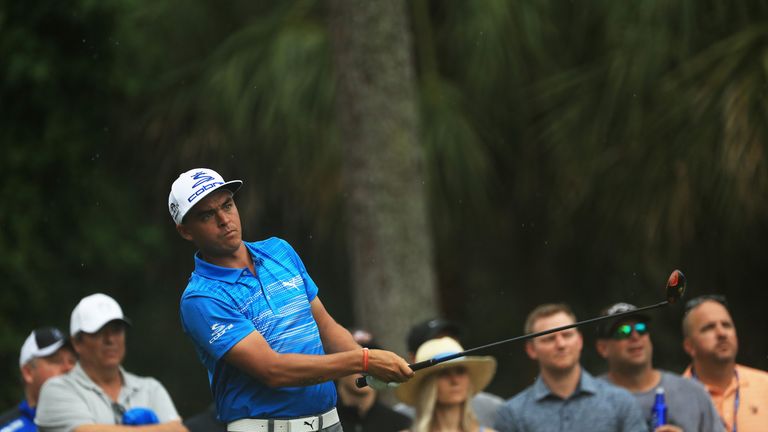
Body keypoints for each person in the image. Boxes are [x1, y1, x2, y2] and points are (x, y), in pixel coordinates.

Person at [169, 168, 413, 431]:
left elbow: (326, 328)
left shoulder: (279, 251)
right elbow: (273, 371)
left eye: (227, 205)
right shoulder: (201, 298)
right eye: (207, 215)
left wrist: (370, 367)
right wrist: (364, 361)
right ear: (186, 231)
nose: (224, 219)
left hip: (330, 423)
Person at [35, 293, 187, 432]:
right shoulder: (57, 389)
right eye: (99, 331)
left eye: (117, 330)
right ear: (77, 343)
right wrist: (164, 429)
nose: (110, 339)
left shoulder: (150, 388)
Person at [495, 303, 646, 432]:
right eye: (549, 338)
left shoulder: (621, 402)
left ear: (579, 341)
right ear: (531, 350)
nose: (561, 344)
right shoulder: (512, 413)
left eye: (567, 335)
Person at [595, 302, 720, 432]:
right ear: (603, 348)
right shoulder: (590, 398)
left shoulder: (693, 392)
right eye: (623, 332)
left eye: (641, 329)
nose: (635, 336)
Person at [394, 318, 504, 427]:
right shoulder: (399, 417)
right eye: (443, 373)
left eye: (460, 371)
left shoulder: (494, 408)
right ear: (413, 359)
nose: (455, 380)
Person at [682, 295, 768, 432]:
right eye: (709, 328)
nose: (722, 333)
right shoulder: (673, 397)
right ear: (689, 346)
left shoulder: (765, 385)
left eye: (726, 325)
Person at [0, 327, 77, 432]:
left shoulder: (96, 421)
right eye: (56, 361)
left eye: (72, 361)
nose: (69, 368)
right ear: (28, 372)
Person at [335, 329, 412, 432]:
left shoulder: (399, 424)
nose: (364, 368)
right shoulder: (322, 421)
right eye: (356, 360)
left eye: (372, 362)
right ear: (338, 366)